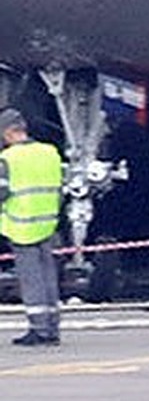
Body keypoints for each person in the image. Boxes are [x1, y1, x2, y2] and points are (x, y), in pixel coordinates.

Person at [0, 108, 64, 346]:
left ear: (7, 133)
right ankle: (52, 326)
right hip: (47, 224)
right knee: (48, 276)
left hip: (21, 226)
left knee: (31, 279)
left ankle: (39, 329)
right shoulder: (49, 152)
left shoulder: (9, 159)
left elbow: (1, 191)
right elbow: (60, 188)